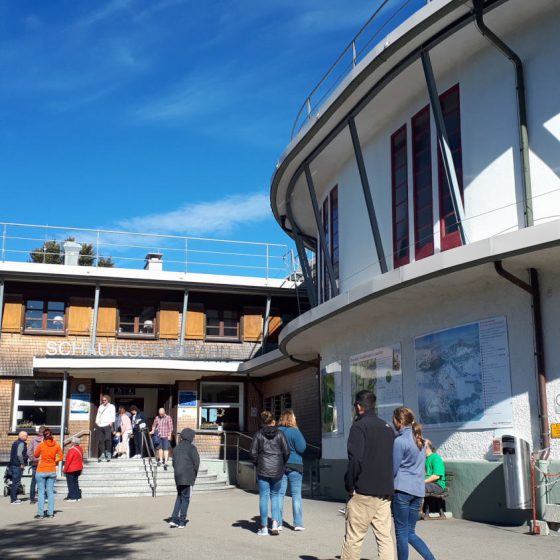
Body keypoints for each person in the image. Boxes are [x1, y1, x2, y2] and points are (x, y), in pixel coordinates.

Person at [341, 390, 395, 560]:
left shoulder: (359, 426)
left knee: (354, 538)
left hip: (363, 490)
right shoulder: (387, 427)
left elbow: (355, 459)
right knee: (385, 538)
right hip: (385, 491)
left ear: (359, 406)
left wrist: (350, 485)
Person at [392, 407, 436, 560]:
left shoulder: (399, 441)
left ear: (398, 421)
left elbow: (394, 468)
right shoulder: (422, 442)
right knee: (410, 532)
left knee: (402, 533)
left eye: (394, 420)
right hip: (418, 491)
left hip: (402, 491)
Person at [250, 410, 290, 536]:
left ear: (262, 422)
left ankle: (263, 527)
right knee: (276, 496)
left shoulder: (258, 434)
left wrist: (258, 463)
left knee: (264, 497)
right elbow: (287, 451)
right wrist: (281, 463)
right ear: (273, 421)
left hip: (263, 469)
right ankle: (275, 524)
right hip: (278, 469)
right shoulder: (280, 434)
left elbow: (252, 452)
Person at [278, 409, 307, 531]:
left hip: (280, 465)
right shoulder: (295, 431)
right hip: (295, 465)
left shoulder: (277, 431)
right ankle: (298, 523)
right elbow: (302, 448)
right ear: (291, 418)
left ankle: (277, 522)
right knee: (296, 495)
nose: (296, 418)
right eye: (294, 417)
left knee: (279, 494)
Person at [168, 428, 200, 529]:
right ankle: (182, 521)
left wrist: (177, 471)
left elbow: (173, 463)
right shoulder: (192, 448)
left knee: (179, 497)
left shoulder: (176, 448)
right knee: (186, 498)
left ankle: (173, 519)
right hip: (188, 476)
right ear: (190, 437)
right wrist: (194, 476)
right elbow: (196, 463)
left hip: (178, 476)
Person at [34, 428, 63, 519]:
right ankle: (50, 513)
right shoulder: (57, 445)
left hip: (41, 470)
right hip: (52, 470)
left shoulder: (41, 445)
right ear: (52, 435)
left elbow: (35, 455)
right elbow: (61, 456)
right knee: (50, 492)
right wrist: (55, 461)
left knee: (41, 492)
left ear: (44, 436)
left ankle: (40, 513)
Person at [8, 431, 28, 504]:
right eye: (26, 436)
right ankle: (13, 499)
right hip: (17, 465)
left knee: (14, 482)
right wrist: (22, 463)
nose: (27, 437)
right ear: (22, 436)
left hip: (13, 464)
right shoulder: (21, 443)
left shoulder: (15, 442)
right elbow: (19, 454)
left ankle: (14, 498)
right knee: (16, 482)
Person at [27, 426, 46, 504]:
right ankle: (42, 498)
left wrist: (33, 459)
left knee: (33, 481)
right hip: (43, 463)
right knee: (43, 480)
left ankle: (32, 499)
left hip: (34, 463)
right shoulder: (45, 440)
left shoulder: (33, 440)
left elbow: (28, 451)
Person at [95, 394, 116, 462]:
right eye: (103, 400)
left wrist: (111, 422)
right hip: (100, 425)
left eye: (105, 400)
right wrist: (97, 421)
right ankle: (102, 453)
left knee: (108, 439)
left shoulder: (111, 406)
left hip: (107, 425)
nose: (103, 401)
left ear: (108, 400)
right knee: (101, 441)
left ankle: (108, 453)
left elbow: (113, 414)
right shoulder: (100, 406)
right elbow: (98, 414)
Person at [63, 436, 84, 502]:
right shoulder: (80, 449)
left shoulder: (72, 450)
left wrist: (64, 469)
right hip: (78, 468)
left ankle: (73, 497)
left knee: (71, 483)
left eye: (72, 441)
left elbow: (68, 461)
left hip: (71, 469)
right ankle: (78, 496)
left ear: (73, 442)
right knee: (75, 482)